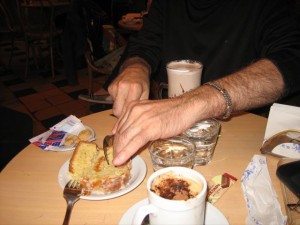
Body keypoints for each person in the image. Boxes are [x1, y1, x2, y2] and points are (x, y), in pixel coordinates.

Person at [102, 0, 300, 166]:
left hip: (242, 141)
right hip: (168, 142)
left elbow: (291, 59)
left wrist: (193, 103)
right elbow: (144, 44)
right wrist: (136, 67)